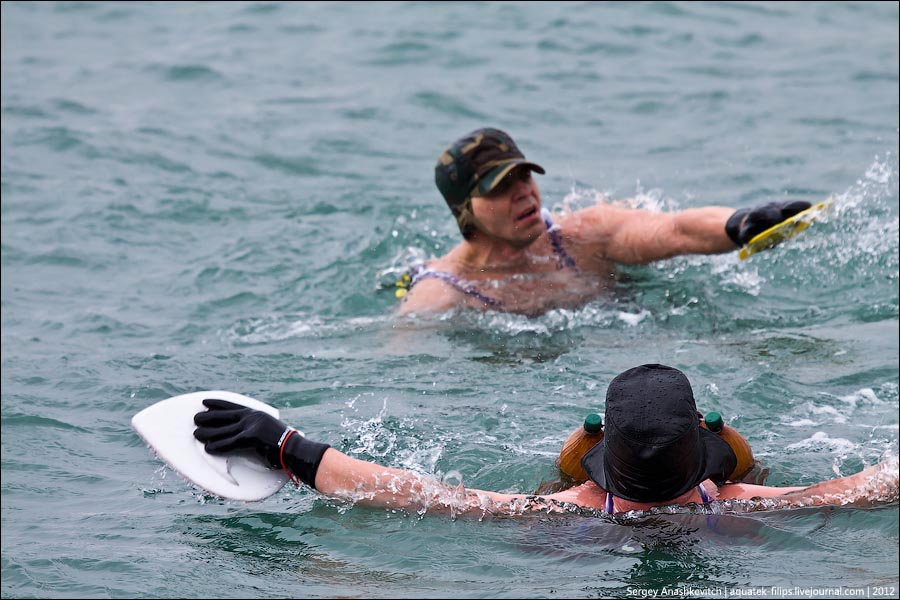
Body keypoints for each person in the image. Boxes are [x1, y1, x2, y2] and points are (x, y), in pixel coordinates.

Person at [192, 364, 897, 516]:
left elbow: (417, 495)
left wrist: (288, 448)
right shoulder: (756, 505)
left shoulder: (568, 512)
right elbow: (880, 483)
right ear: (706, 445)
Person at [394, 128, 812, 316]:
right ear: (465, 209)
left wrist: (738, 225)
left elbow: (671, 230)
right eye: (501, 186)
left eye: (524, 175)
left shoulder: (581, 237)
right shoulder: (443, 294)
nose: (523, 191)